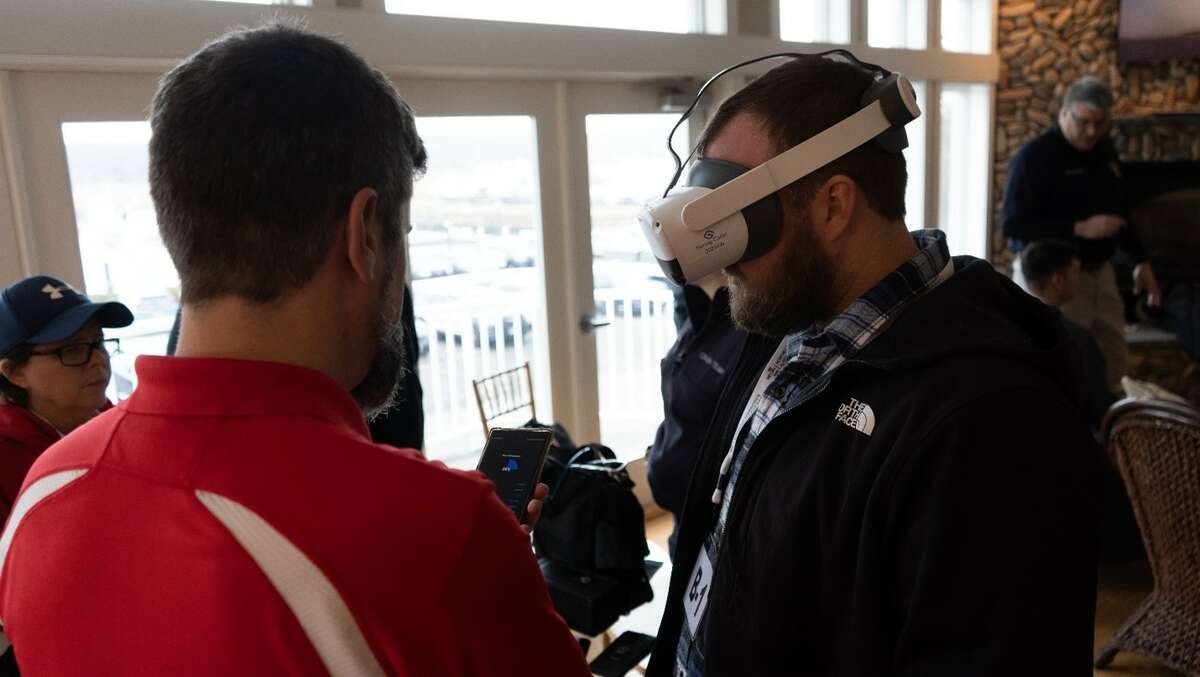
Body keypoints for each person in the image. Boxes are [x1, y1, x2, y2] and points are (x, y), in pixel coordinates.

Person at [0, 23, 587, 676]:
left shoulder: (41, 495)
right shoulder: (443, 534)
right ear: (365, 232)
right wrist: (471, 570)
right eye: (403, 235)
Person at [648, 55, 1101, 676]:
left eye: (741, 223)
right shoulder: (786, 322)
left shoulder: (990, 425)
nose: (723, 261)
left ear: (835, 206)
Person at [1002, 76, 1160, 392]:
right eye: (1084, 121)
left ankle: (1111, 428)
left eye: (1100, 124)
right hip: (1052, 277)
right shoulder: (1033, 158)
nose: (1091, 131)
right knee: (1058, 368)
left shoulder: (1105, 151)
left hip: (1101, 273)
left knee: (1115, 358)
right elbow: (1013, 226)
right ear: (1064, 113)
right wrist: (1079, 228)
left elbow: (1121, 212)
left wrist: (1140, 261)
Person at [0, 275, 132, 521]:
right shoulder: (6, 462)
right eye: (72, 349)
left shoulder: (123, 429)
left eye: (98, 342)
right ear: (15, 373)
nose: (98, 360)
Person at [646, 272, 745, 558]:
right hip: (682, 517)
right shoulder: (696, 307)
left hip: (712, 522)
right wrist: (659, 454)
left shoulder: (746, 329)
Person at [1021, 240, 1119, 430]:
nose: (1078, 280)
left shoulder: (1009, 327)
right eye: (1075, 272)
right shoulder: (1076, 339)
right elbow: (1098, 406)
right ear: (1058, 281)